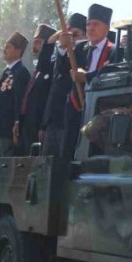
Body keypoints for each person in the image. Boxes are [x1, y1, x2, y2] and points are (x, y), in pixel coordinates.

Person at [58, 3, 119, 160]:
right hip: (75, 108)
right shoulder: (79, 49)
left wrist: (86, 77)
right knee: (68, 152)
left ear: (106, 27)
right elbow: (61, 70)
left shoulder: (114, 51)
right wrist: (63, 48)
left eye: (95, 24)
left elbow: (109, 74)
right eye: (88, 24)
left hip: (98, 111)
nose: (90, 28)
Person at [40, 13, 86, 156]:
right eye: (68, 34)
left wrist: (67, 48)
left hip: (69, 120)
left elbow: (71, 68)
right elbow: (43, 65)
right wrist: (54, 43)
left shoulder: (86, 51)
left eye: (76, 34)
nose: (71, 38)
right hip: (52, 119)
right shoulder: (60, 54)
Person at [0, 32, 31, 157]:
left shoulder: (21, 72)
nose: (4, 50)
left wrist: (17, 124)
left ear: (18, 51)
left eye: (8, 47)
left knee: (5, 168)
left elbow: (19, 101)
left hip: (8, 131)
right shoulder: (7, 72)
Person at [19, 24, 57, 154]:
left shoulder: (52, 68)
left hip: (40, 127)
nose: (34, 47)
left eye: (39, 42)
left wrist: (43, 126)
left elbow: (49, 99)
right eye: (34, 42)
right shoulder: (38, 70)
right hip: (27, 125)